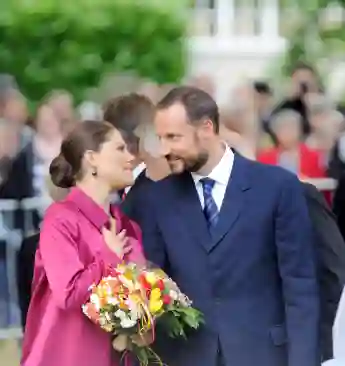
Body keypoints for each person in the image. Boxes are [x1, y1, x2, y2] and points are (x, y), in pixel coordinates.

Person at [137, 86, 320, 366]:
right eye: (161, 138)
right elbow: (153, 282)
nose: (165, 150)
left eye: (173, 137)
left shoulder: (277, 187)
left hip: (264, 354)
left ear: (207, 128)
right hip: (188, 357)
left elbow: (300, 286)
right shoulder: (158, 198)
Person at [21, 120, 145, 366]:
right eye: (120, 149)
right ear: (92, 158)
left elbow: (140, 298)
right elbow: (67, 295)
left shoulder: (128, 226)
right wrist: (108, 256)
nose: (131, 157)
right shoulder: (61, 218)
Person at [258, 109, 325, 178]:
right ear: (275, 132)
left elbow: (320, 182)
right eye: (283, 129)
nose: (288, 132)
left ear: (299, 130)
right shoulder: (265, 159)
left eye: (292, 127)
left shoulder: (313, 157)